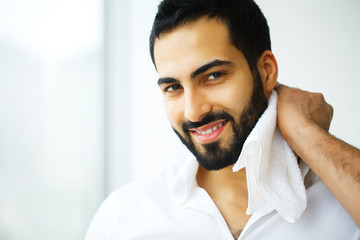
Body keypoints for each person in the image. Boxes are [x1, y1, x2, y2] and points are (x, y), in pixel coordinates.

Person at [86, 0, 360, 239]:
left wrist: (305, 132)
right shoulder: (122, 219)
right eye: (173, 88)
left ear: (266, 72)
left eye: (213, 76)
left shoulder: (343, 202)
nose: (193, 112)